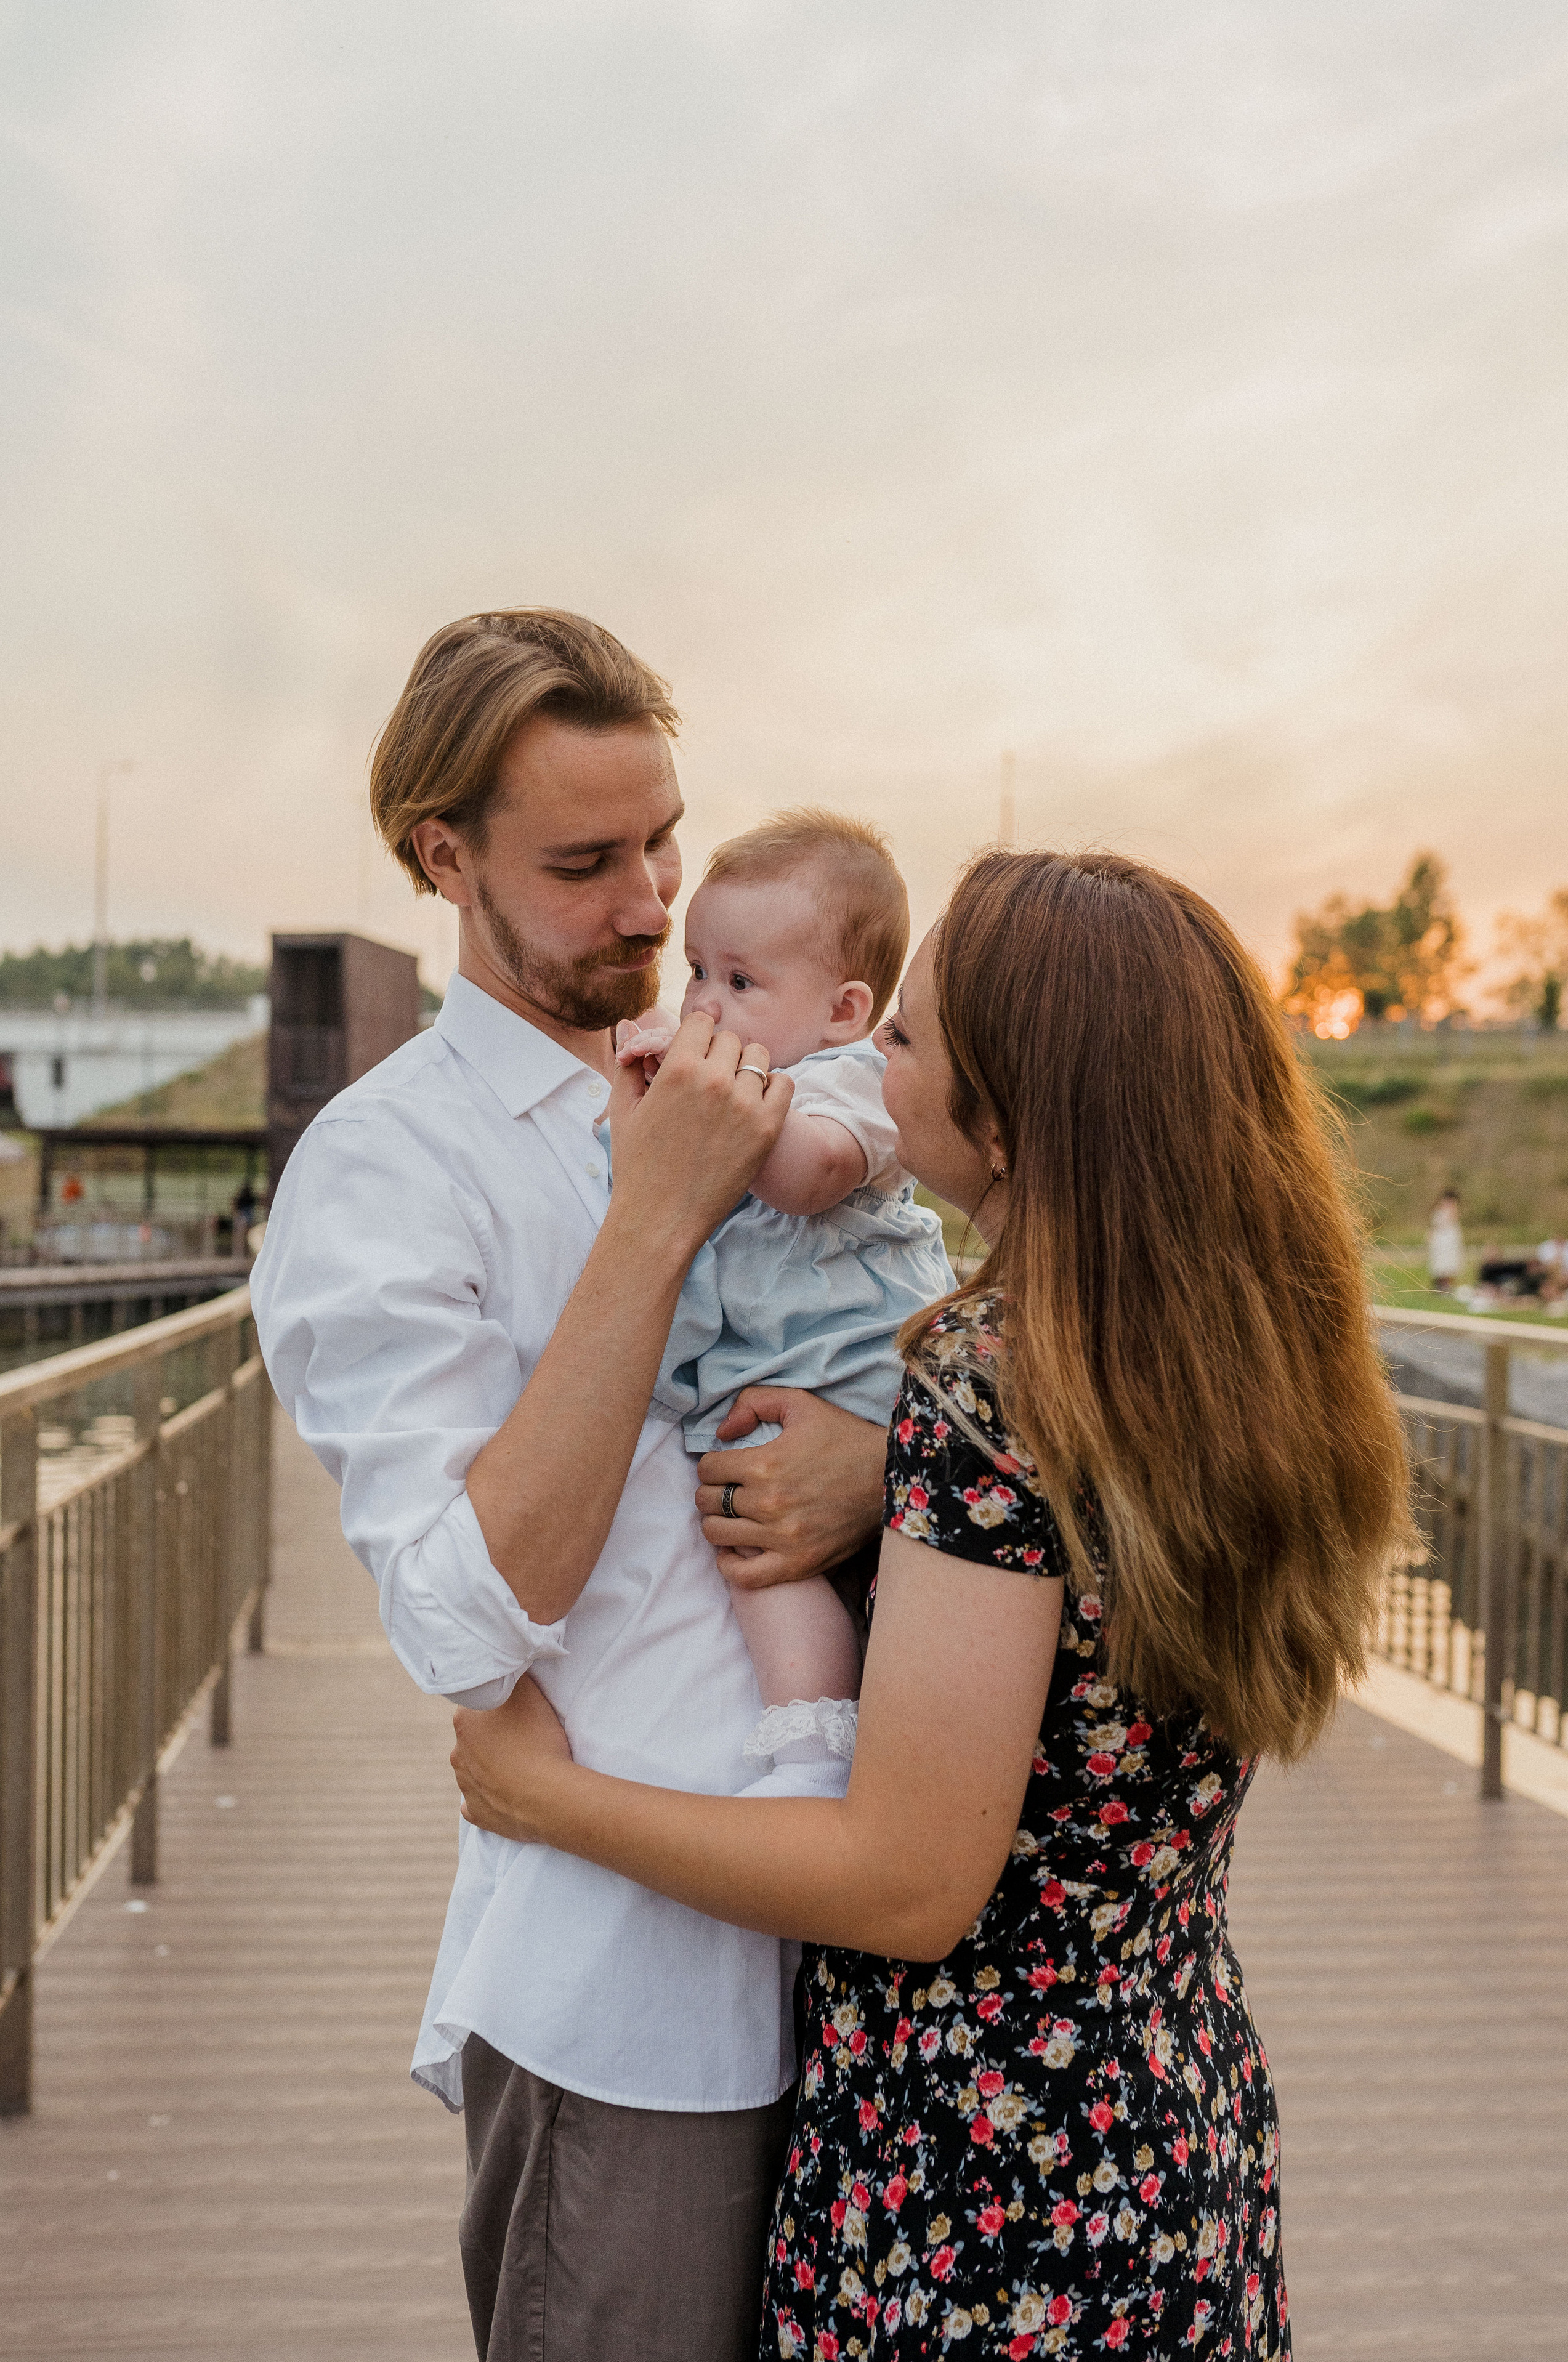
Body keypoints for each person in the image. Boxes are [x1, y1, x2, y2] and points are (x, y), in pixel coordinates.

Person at [451, 847, 1415, 2360]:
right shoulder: (1221, 1361)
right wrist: (879, 1466)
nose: (864, 1059)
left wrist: (548, 1798)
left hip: (981, 2177)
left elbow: (904, 1879)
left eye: (899, 1036)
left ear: (1010, 1114)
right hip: (1167, 2125)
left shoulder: (984, 1388)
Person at [251, 608, 892, 2362]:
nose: (652, 903)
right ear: (440, 858)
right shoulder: (386, 1171)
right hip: (640, 2007)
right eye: (589, 861)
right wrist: (658, 1208)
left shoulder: (775, 1077)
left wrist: (880, 1463)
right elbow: (461, 1623)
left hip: (885, 1972)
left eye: (666, 841)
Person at [615, 809, 955, 1787]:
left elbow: (808, 1178)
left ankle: (814, 1741)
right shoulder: (738, 1075)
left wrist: (713, 1107)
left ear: (845, 1010)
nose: (704, 1007)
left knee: (795, 1566)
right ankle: (811, 1729)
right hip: (760, 1395)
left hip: (865, 1379)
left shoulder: (855, 1086)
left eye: (741, 982)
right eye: (696, 975)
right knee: (766, 1559)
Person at [1426, 1187, 1463, 1292]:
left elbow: (1451, 1220)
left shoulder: (1453, 1211)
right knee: (1440, 1264)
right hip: (1439, 1242)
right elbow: (1434, 1226)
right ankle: (1439, 1285)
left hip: (1449, 1241)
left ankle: (1448, 1286)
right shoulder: (1438, 1212)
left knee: (1449, 1264)